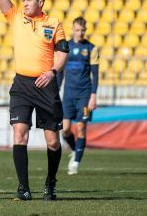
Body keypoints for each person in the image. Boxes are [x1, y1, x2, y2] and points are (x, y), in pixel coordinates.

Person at [0, 0, 69, 201]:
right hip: (22, 84)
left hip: (46, 84)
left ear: (40, 2)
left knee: (52, 141)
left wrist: (53, 72)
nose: (25, 2)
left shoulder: (54, 23)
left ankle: (51, 182)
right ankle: (24, 188)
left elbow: (63, 53)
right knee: (19, 134)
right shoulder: (15, 16)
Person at [58, 17, 99, 175]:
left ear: (85, 30)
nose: (80, 33)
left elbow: (95, 75)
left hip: (84, 94)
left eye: (82, 30)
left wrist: (93, 96)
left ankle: (75, 162)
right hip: (68, 95)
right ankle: (76, 150)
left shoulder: (91, 48)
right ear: (73, 30)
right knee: (65, 129)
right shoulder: (66, 47)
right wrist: (56, 91)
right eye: (77, 30)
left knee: (81, 128)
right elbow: (60, 72)